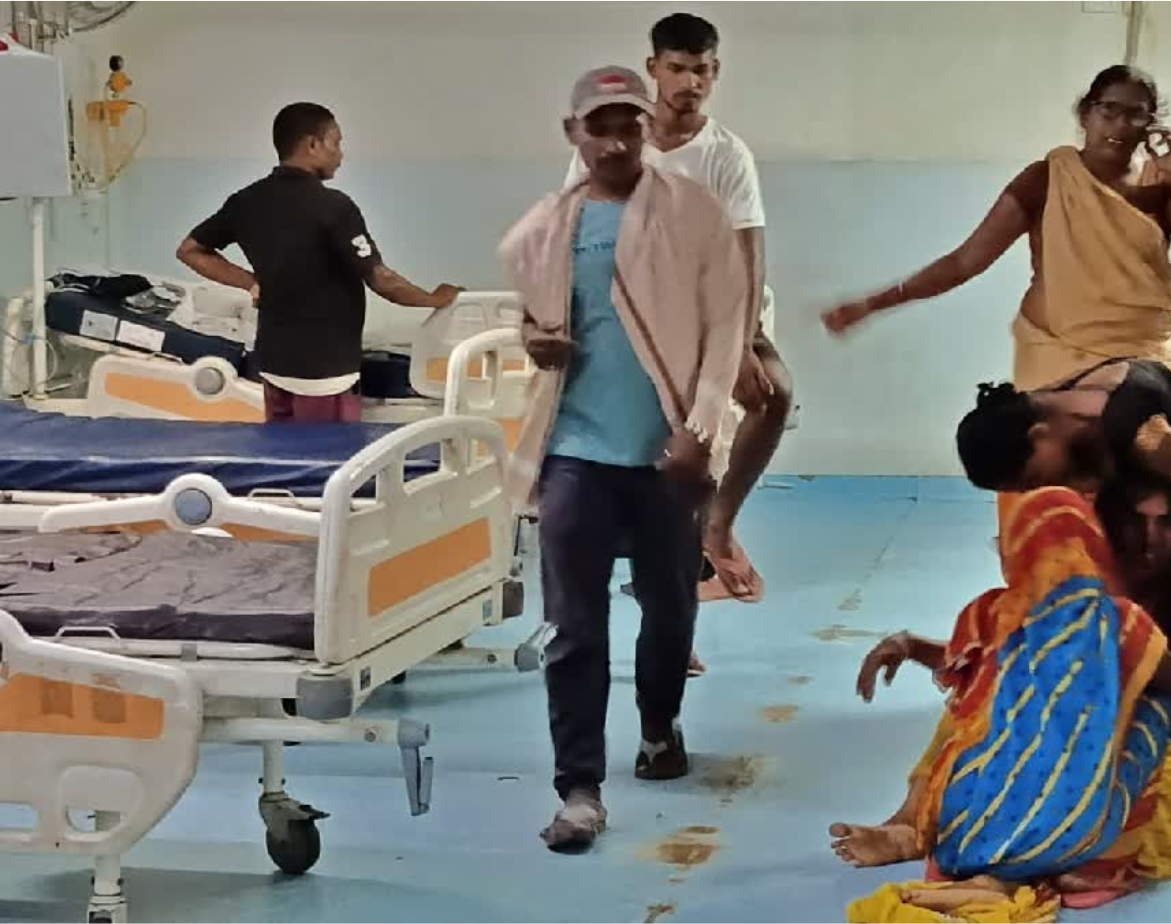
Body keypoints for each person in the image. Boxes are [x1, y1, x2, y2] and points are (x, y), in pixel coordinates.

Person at [500, 66, 750, 854]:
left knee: (670, 608)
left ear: (648, 129)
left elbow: (728, 324)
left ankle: (657, 726)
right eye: (599, 127)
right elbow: (535, 316)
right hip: (576, 448)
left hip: (667, 453)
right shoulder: (551, 224)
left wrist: (701, 429)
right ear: (572, 133)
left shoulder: (693, 213)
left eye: (629, 126)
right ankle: (579, 789)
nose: (615, 143)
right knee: (574, 626)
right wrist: (535, 342)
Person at [830, 484, 1171, 921]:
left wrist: (1143, 651)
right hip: (1108, 732)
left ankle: (1013, 871)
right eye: (1137, 520)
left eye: (1165, 521)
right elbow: (995, 656)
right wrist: (909, 646)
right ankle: (912, 824)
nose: (1151, 537)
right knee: (985, 707)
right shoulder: (1073, 584)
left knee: (1110, 773)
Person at [952, 361, 1171, 752]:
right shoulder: (1043, 416)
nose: (1037, 488)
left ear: (1039, 436)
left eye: (1033, 479)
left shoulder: (1142, 434)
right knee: (1125, 575)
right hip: (1132, 442)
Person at [821, 65, 1171, 392]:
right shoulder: (1046, 179)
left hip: (1144, 359)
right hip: (1058, 356)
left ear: (1152, 126)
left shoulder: (1164, 188)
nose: (1121, 125)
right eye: (1109, 111)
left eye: (1136, 114)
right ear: (1085, 114)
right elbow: (965, 261)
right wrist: (873, 304)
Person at [567, 13, 793, 607]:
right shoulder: (616, 144)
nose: (691, 82)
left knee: (772, 394)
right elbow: (576, 231)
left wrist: (741, 345)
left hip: (716, 316)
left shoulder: (726, 154)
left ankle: (718, 527)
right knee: (663, 445)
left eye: (702, 70)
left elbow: (750, 255)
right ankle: (669, 579)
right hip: (638, 319)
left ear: (716, 72)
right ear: (654, 69)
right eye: (678, 68)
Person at [177, 102, 461, 423]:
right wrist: (435, 299)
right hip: (326, 375)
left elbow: (190, 250)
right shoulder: (334, 207)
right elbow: (382, 280)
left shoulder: (245, 202)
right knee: (328, 455)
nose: (341, 154)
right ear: (312, 145)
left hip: (273, 365)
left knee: (281, 452)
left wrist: (252, 282)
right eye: (336, 143)